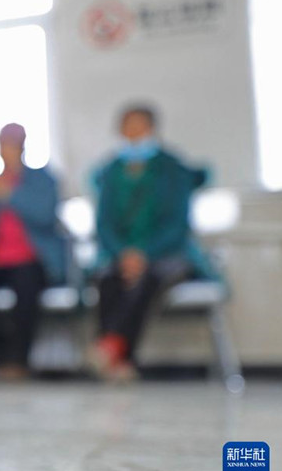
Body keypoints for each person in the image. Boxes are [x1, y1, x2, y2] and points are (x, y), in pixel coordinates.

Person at [90, 104, 212, 381]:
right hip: (119, 256)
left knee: (148, 280)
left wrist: (144, 254)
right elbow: (104, 224)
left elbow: (177, 224)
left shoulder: (172, 169)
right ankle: (119, 361)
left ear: (152, 129)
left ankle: (112, 347)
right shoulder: (110, 172)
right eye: (128, 126)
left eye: (139, 126)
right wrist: (124, 254)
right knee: (108, 280)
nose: (133, 133)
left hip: (166, 253)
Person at [0, 123, 66, 380]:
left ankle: (19, 359)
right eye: (2, 143)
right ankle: (3, 356)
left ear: (22, 145)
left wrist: (9, 194)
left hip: (33, 259)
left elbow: (44, 217)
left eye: (11, 142)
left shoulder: (43, 179)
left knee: (26, 286)